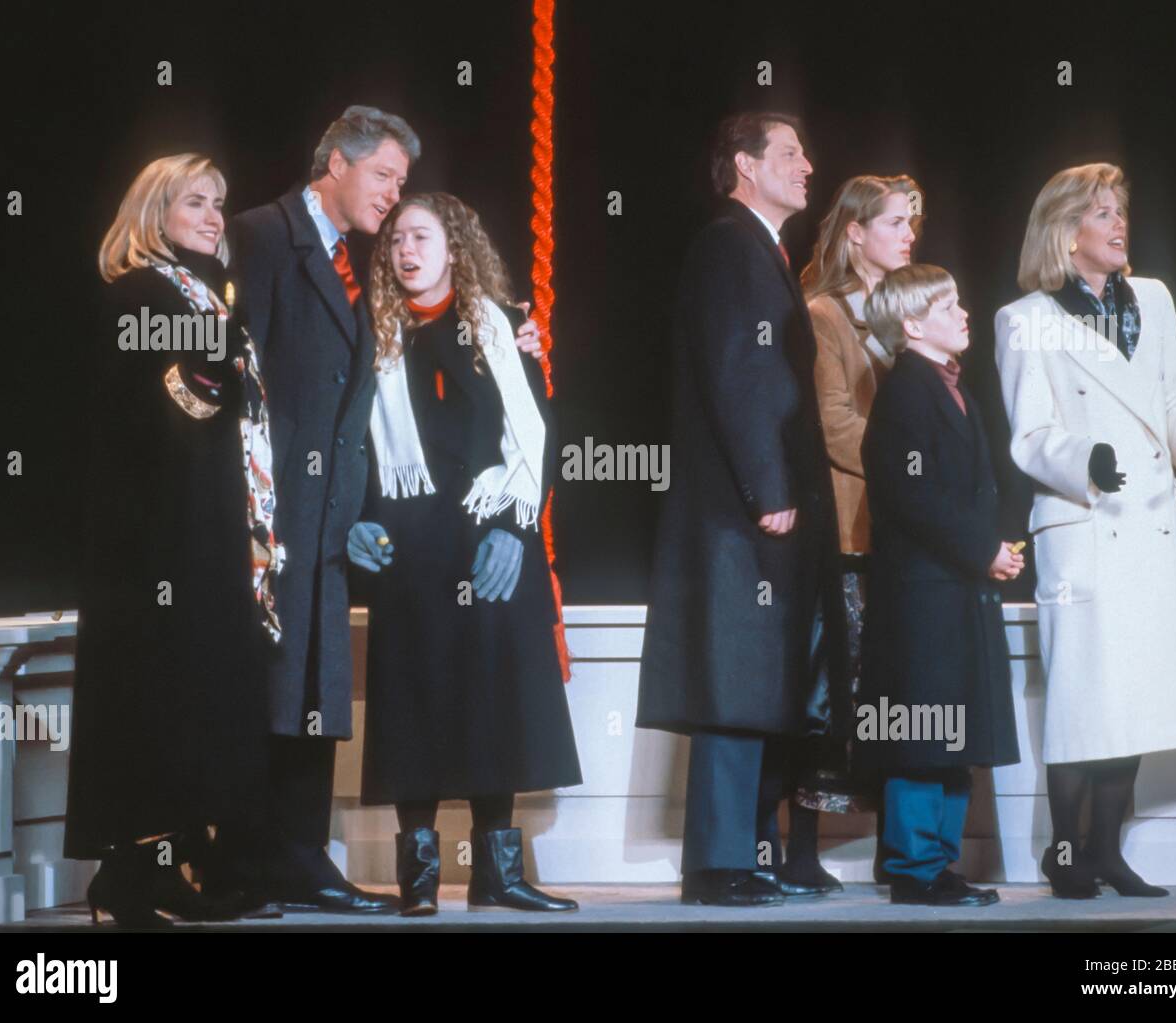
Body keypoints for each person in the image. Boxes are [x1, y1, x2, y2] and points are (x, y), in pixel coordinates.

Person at [216, 108, 543, 914]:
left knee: (316, 691)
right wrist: (284, 504)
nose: (395, 210)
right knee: (316, 690)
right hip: (309, 519)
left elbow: (529, 429)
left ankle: (307, 861)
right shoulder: (274, 243)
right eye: (386, 181)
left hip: (380, 524)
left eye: (409, 201)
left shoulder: (467, 319)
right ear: (335, 162)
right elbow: (238, 370)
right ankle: (270, 867)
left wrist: (508, 518)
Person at [65, 154, 285, 925]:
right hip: (150, 539)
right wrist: (226, 338)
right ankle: (130, 877)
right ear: (155, 211)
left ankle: (176, 864)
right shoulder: (139, 291)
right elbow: (188, 398)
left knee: (196, 699)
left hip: (207, 526)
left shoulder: (200, 292)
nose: (215, 216)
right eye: (197, 201)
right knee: (153, 702)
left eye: (220, 203)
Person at [348, 193, 581, 914]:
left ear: (454, 244)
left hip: (491, 535)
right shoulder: (371, 333)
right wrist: (355, 521)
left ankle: (497, 873)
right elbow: (345, 441)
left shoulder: (501, 326)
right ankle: (417, 877)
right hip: (408, 542)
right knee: (412, 697)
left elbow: (538, 435)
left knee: (496, 694)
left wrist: (514, 527)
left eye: (419, 236)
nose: (404, 251)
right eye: (394, 241)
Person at [636, 112, 848, 907]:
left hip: (758, 506)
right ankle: (719, 864)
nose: (806, 164)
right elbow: (740, 372)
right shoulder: (730, 244)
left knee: (758, 679)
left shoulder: (763, 250)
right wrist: (771, 489)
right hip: (741, 510)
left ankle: (744, 855)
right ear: (743, 165)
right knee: (733, 679)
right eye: (790, 152)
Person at [994, 163, 1176, 898]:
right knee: (1085, 699)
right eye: (1101, 214)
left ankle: (1108, 851)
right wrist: (1081, 460)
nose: (1119, 224)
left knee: (1139, 697)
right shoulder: (1024, 318)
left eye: (1120, 210)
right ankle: (1068, 854)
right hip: (1086, 525)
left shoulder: (1154, 299)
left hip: (1151, 523)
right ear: (1065, 231)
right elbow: (1029, 436)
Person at [860, 264, 1023, 906]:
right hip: (923, 595)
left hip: (954, 591)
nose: (963, 313)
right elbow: (910, 495)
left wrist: (990, 549)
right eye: (947, 304)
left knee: (950, 732)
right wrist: (982, 549)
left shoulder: (952, 389)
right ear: (911, 324)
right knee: (922, 730)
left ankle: (936, 865)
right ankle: (915, 867)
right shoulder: (906, 393)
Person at [797, 174, 920, 883]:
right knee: (830, 686)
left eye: (911, 224)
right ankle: (799, 849)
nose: (908, 236)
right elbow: (833, 421)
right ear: (855, 233)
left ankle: (892, 850)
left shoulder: (911, 316)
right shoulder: (824, 314)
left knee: (890, 692)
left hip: (901, 535)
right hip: (849, 528)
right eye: (896, 222)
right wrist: (910, 462)